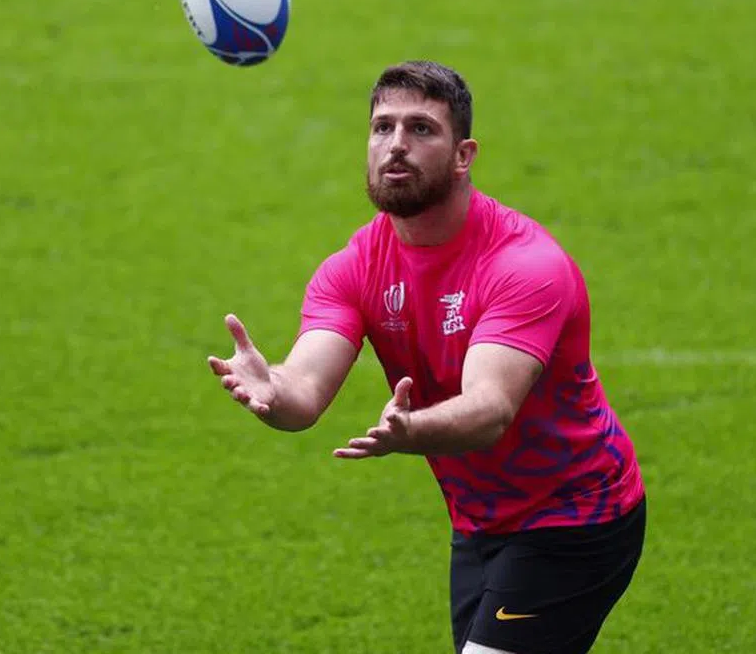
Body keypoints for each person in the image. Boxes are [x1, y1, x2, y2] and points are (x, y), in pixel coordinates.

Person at [208, 60, 646, 654]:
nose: (395, 145)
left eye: (421, 129)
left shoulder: (523, 266)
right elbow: (304, 395)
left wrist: (411, 429)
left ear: (464, 155)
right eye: (382, 127)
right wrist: (272, 391)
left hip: (577, 516)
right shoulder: (354, 268)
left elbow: (490, 410)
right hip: (479, 520)